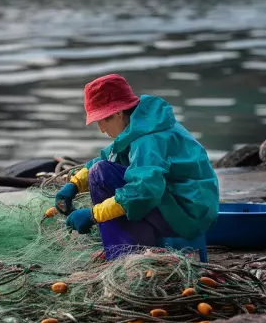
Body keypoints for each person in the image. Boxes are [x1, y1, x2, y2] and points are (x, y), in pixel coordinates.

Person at [56, 74, 219, 259]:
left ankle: (126, 255)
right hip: (189, 205)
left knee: (100, 174)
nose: (101, 129)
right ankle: (131, 245)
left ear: (118, 113)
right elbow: (112, 156)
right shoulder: (146, 124)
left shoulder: (148, 140)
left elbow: (143, 192)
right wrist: (74, 184)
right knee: (101, 169)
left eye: (102, 120)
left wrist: (93, 214)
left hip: (187, 214)